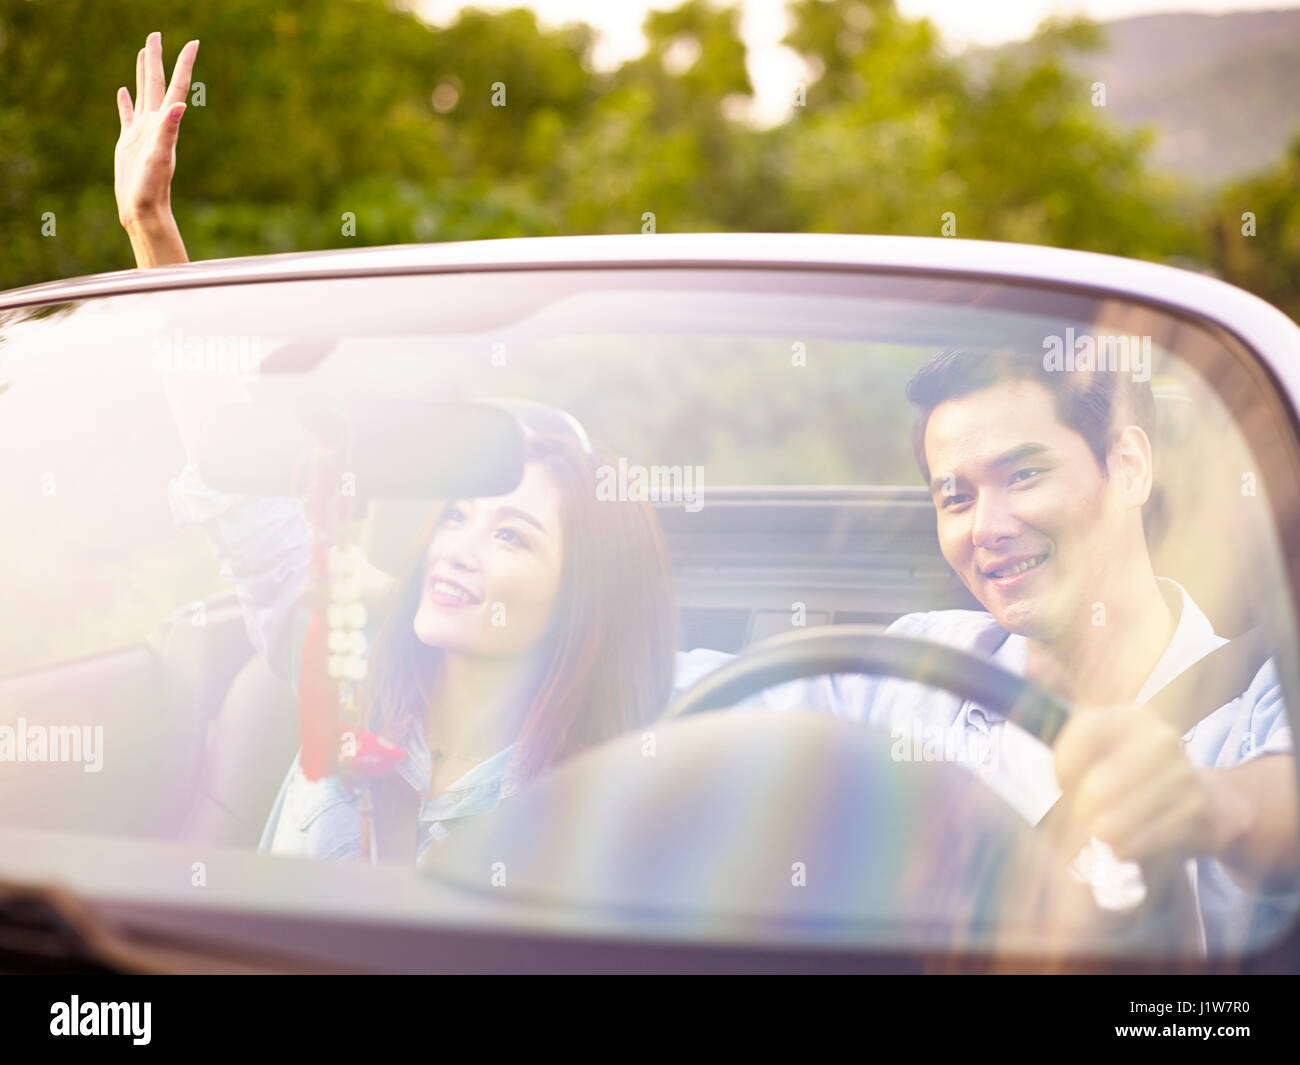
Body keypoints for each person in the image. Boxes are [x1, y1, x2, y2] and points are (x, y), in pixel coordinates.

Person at [116, 32, 678, 865]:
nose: (457, 548)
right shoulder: (354, 655)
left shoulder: (604, 804)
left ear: (580, 599)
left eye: (511, 534)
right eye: (458, 513)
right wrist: (152, 229)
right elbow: (236, 479)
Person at [679, 347, 1299, 954]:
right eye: (956, 497)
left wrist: (1219, 807)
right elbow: (697, 697)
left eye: (1024, 475)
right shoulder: (920, 664)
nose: (986, 528)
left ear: (1130, 466)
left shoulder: (1259, 702)